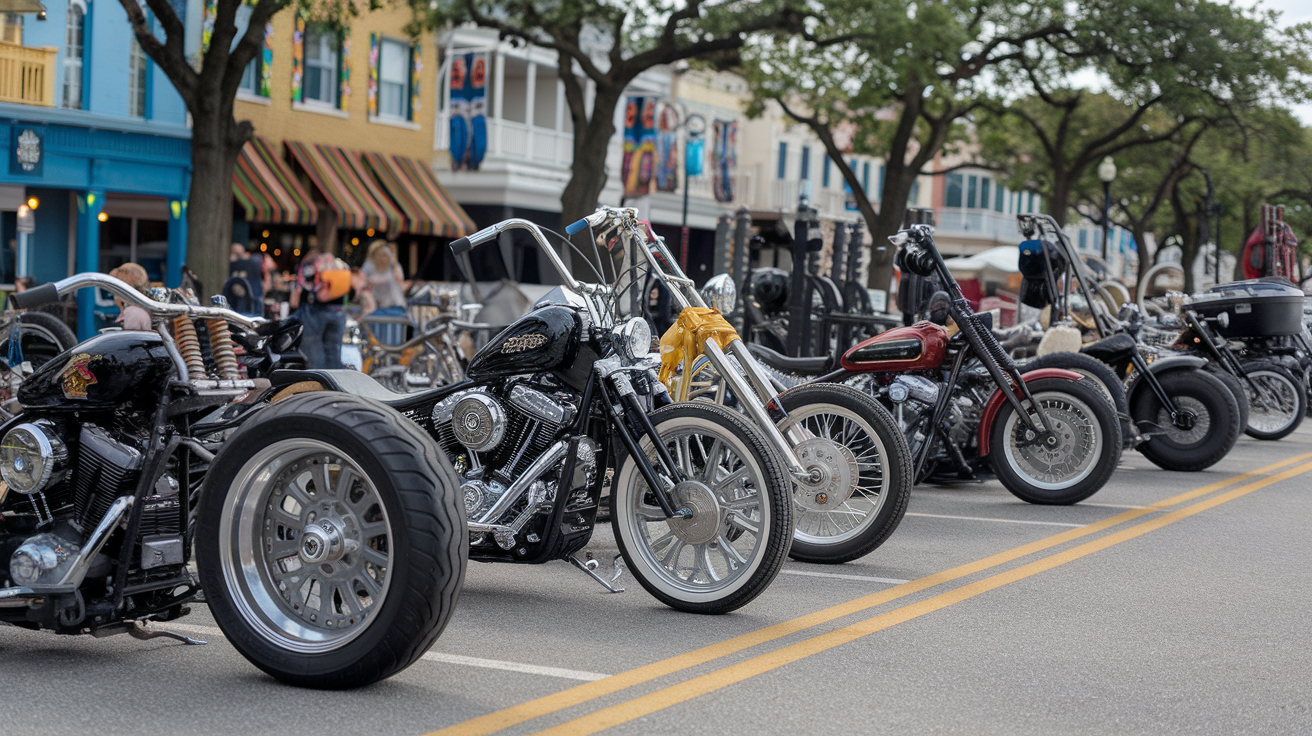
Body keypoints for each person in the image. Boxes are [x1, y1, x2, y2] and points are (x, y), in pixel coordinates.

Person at [290, 251, 350, 368]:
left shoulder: (310, 266)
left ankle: (318, 383)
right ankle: (334, 383)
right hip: (338, 312)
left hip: (315, 311)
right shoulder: (340, 265)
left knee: (313, 349)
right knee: (333, 350)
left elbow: (296, 296)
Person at [361, 240, 409, 345]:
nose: (382, 258)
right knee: (375, 342)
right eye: (379, 255)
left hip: (395, 309)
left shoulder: (394, 266)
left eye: (384, 255)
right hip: (376, 310)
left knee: (393, 342)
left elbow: (400, 281)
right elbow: (362, 284)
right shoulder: (369, 266)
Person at [108, 263, 152, 331]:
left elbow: (130, 340)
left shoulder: (133, 313)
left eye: (116, 289)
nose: (114, 295)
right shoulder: (134, 311)